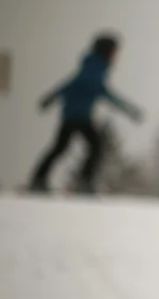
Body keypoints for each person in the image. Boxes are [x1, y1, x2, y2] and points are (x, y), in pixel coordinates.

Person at [28, 32, 142, 194]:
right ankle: (82, 182)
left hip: (74, 115)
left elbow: (68, 84)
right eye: (115, 52)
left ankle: (40, 179)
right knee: (94, 147)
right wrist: (129, 110)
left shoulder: (93, 67)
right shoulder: (94, 70)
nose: (117, 56)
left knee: (62, 147)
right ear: (106, 51)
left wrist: (51, 97)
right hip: (78, 116)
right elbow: (103, 92)